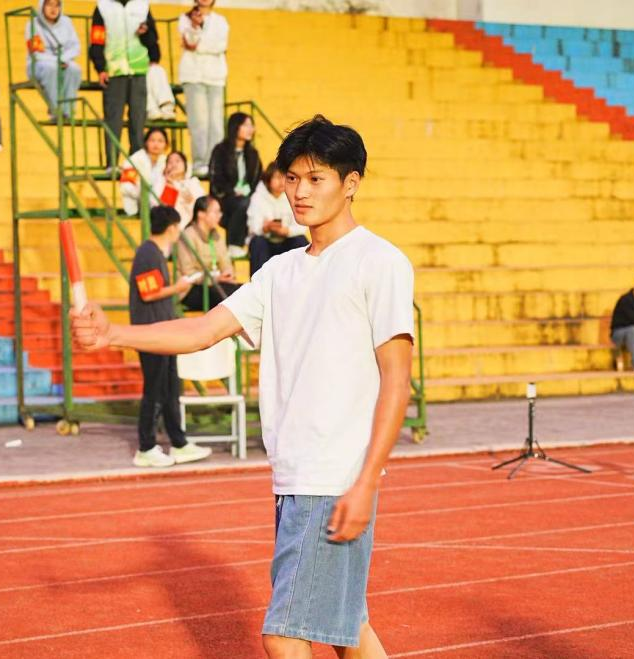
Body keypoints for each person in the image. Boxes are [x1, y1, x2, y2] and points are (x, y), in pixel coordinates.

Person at [70, 116, 413, 658]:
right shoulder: (279, 272)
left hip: (334, 477)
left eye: (316, 179)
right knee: (349, 631)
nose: (299, 192)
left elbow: (397, 378)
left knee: (284, 635)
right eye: (292, 178)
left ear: (351, 183)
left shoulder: (379, 262)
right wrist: (113, 333)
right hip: (293, 474)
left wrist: (367, 480)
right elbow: (203, 329)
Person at [124, 204, 212, 467]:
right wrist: (179, 287)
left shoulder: (156, 253)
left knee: (171, 387)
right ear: (172, 228)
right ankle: (146, 446)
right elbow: (148, 292)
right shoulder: (148, 253)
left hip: (164, 330)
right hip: (151, 332)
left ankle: (178, 442)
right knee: (154, 389)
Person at [90, 0, 160, 163]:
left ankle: (137, 165)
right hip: (114, 71)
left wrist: (145, 34)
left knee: (138, 121)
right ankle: (112, 164)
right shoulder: (102, 7)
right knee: (113, 121)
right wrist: (100, 68)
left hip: (139, 71)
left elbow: (153, 39)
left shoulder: (143, 6)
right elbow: (97, 41)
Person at [179, 0, 229, 177]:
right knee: (199, 122)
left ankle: (215, 163)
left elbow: (221, 45)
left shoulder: (221, 21)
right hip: (193, 76)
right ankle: (200, 162)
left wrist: (199, 46)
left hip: (216, 77)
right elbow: (189, 42)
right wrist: (196, 27)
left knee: (216, 124)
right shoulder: (185, 18)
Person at [209, 112, 262, 257]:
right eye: (246, 125)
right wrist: (232, 191)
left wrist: (249, 192)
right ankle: (234, 244)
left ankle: (251, 243)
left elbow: (257, 179)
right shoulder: (221, 150)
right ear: (235, 127)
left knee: (252, 203)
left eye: (251, 125)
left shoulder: (253, 153)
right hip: (224, 197)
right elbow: (216, 178)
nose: (250, 129)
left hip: (247, 197)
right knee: (243, 203)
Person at [175, 196, 240, 311]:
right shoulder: (188, 236)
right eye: (215, 212)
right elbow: (188, 273)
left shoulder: (217, 235)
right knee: (225, 296)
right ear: (201, 214)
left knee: (242, 291)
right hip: (192, 288)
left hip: (216, 284)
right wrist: (215, 278)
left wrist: (227, 272)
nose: (219, 216)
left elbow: (225, 261)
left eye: (220, 212)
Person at [247, 162, 308, 274]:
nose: (282, 181)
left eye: (285, 177)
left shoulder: (293, 196)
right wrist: (265, 228)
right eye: (277, 177)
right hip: (266, 241)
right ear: (268, 179)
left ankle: (303, 279)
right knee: (258, 242)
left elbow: (302, 226)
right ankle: (259, 283)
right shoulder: (258, 197)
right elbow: (253, 227)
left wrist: (287, 231)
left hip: (286, 240)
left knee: (300, 240)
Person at [26, 0, 82, 121]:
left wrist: (63, 59)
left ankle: (68, 111)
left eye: (57, 5)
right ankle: (55, 110)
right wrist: (57, 61)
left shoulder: (67, 22)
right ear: (42, 6)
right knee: (51, 68)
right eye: (49, 5)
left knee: (75, 69)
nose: (53, 9)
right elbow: (36, 52)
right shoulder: (33, 24)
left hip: (63, 61)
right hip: (38, 64)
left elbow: (75, 47)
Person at [120, 127, 169, 217]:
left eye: (160, 141)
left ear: (166, 144)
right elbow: (126, 186)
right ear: (146, 142)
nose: (156, 144)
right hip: (137, 203)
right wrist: (145, 197)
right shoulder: (134, 160)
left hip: (159, 205)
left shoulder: (167, 161)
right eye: (152, 140)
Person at [159, 151, 206, 228]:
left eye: (177, 161)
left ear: (185, 165)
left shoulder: (193, 183)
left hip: (192, 227)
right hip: (170, 228)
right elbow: (164, 210)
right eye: (170, 162)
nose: (174, 165)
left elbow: (201, 208)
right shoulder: (161, 184)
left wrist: (190, 200)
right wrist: (169, 184)